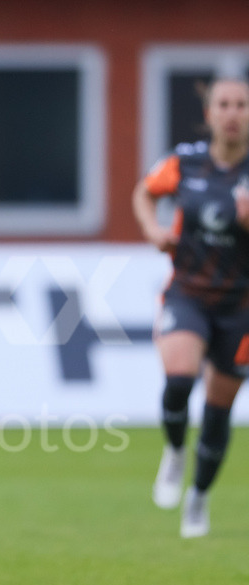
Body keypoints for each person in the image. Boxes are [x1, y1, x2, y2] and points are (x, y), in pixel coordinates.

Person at [132, 77, 249, 538]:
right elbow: (145, 192)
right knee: (179, 379)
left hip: (241, 307)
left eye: (242, 104)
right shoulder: (185, 162)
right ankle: (176, 450)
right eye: (225, 104)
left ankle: (198, 497)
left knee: (219, 409)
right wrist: (153, 231)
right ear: (209, 113)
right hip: (188, 293)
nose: (233, 113)